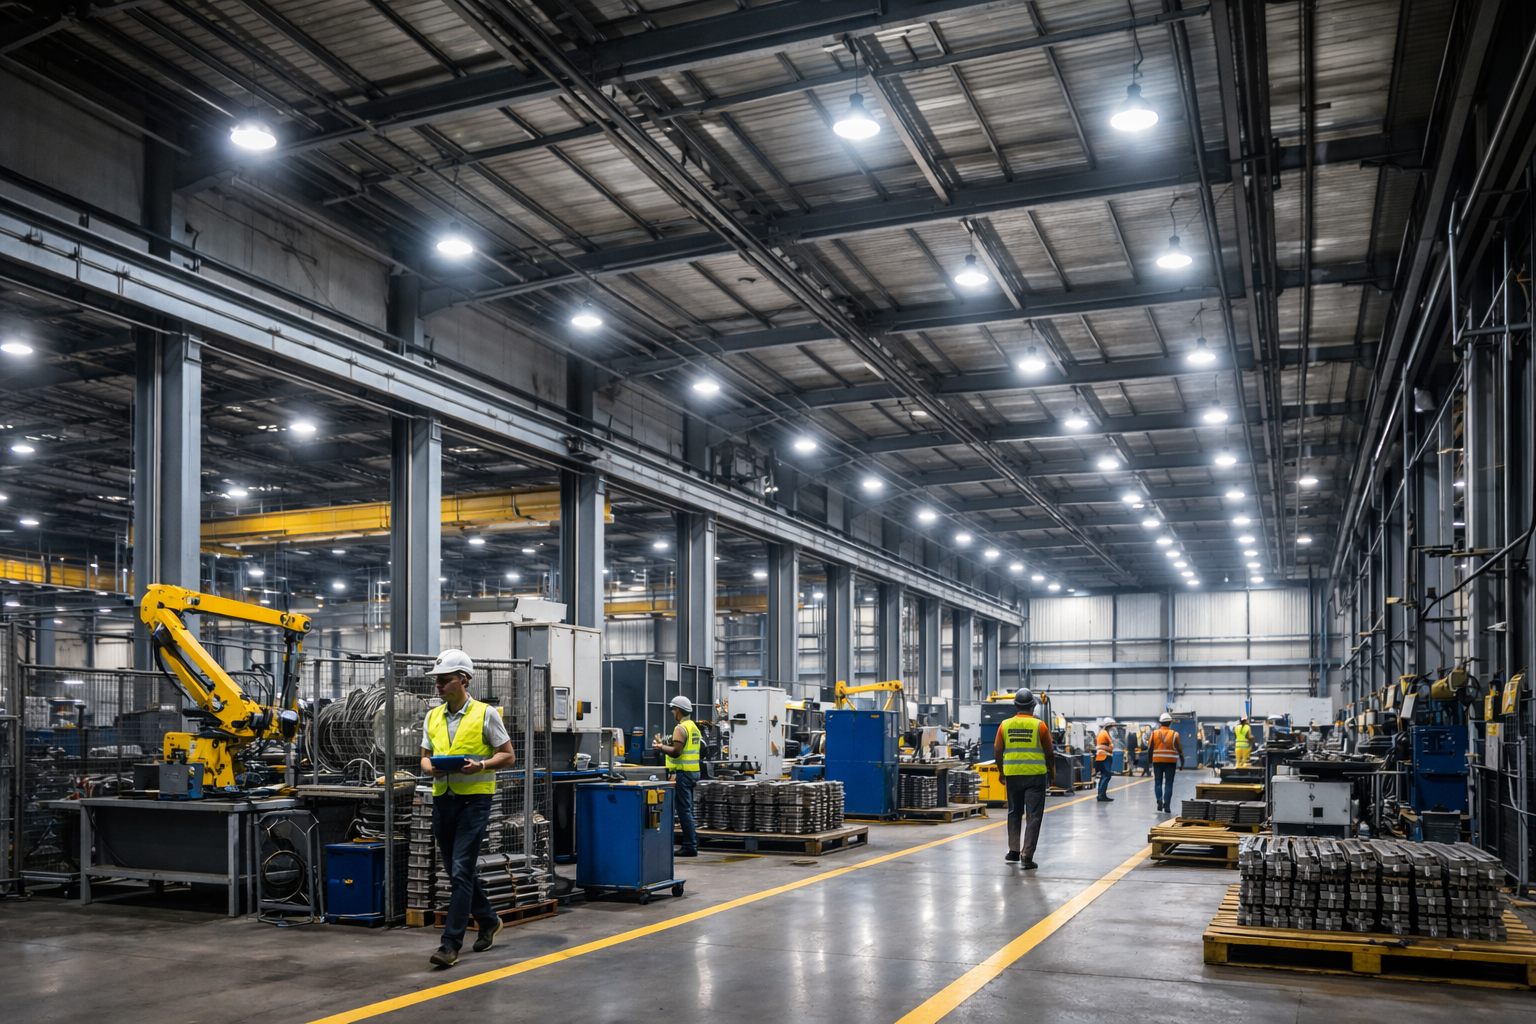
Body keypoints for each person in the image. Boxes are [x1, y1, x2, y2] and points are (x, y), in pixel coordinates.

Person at [419, 649, 517, 969]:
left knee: (461, 869)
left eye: (444, 680)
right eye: (436, 681)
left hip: (474, 800)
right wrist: (428, 768)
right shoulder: (432, 716)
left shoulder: (486, 714)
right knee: (457, 871)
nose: (438, 686)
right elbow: (424, 756)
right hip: (442, 798)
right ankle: (488, 920)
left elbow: (508, 755)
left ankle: (450, 944)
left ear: (462, 680)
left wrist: (483, 765)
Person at [994, 688, 1055, 868]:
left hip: (1013, 775)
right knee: (1033, 815)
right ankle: (1026, 855)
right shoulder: (1040, 725)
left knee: (1014, 812)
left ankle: (1013, 851)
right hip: (1035, 776)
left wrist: (1001, 771)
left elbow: (998, 750)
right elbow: (1049, 752)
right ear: (1033, 706)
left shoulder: (1004, 725)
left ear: (1016, 706)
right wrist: (1053, 772)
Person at [654, 695, 701, 857]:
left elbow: (676, 752)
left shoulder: (680, 728)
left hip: (683, 774)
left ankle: (689, 846)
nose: (673, 712)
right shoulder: (693, 727)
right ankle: (691, 843)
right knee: (689, 810)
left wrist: (660, 747)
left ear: (679, 711)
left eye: (674, 709)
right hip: (693, 772)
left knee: (684, 811)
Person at [1150, 712, 1184, 813]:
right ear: (1170, 722)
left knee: (1158, 782)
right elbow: (1179, 750)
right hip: (1170, 762)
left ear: (1160, 722)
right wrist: (1182, 764)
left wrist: (1149, 762)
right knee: (1169, 784)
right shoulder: (1175, 734)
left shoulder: (1154, 733)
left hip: (1157, 761)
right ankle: (1167, 805)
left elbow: (1150, 748)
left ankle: (1159, 800)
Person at [1094, 718, 1117, 801]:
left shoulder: (1101, 733)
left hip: (1100, 757)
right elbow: (1110, 746)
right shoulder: (1105, 733)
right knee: (1106, 775)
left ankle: (1101, 794)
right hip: (1105, 756)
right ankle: (1101, 794)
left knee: (1104, 776)